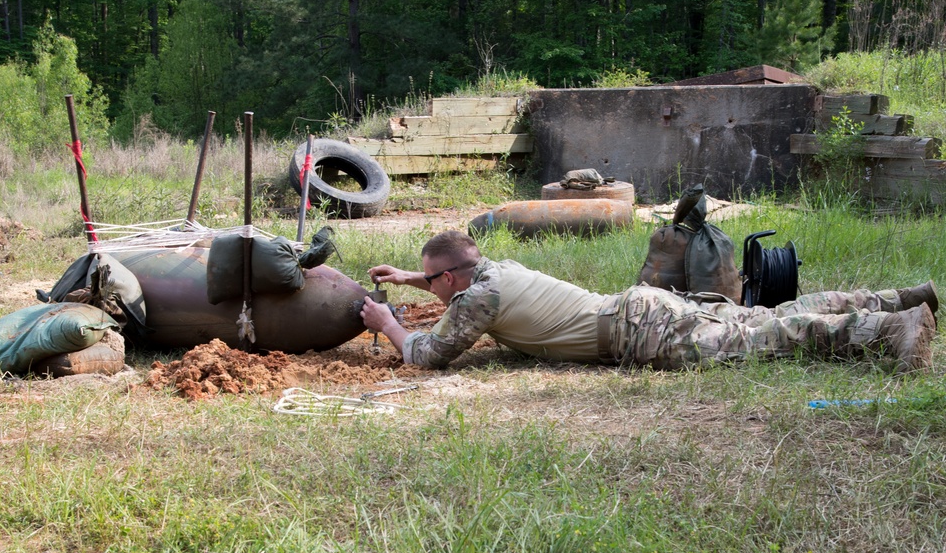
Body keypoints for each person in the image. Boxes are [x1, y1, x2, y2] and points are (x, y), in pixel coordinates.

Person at [359, 230, 938, 372]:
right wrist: (412, 276)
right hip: (641, 308)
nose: (429, 287)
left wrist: (388, 321)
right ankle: (895, 298)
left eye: (433, 280)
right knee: (768, 315)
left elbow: (428, 355)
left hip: (640, 333)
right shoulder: (495, 271)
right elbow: (455, 273)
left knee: (768, 337)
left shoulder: (474, 301)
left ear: (453, 279)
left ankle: (892, 329)